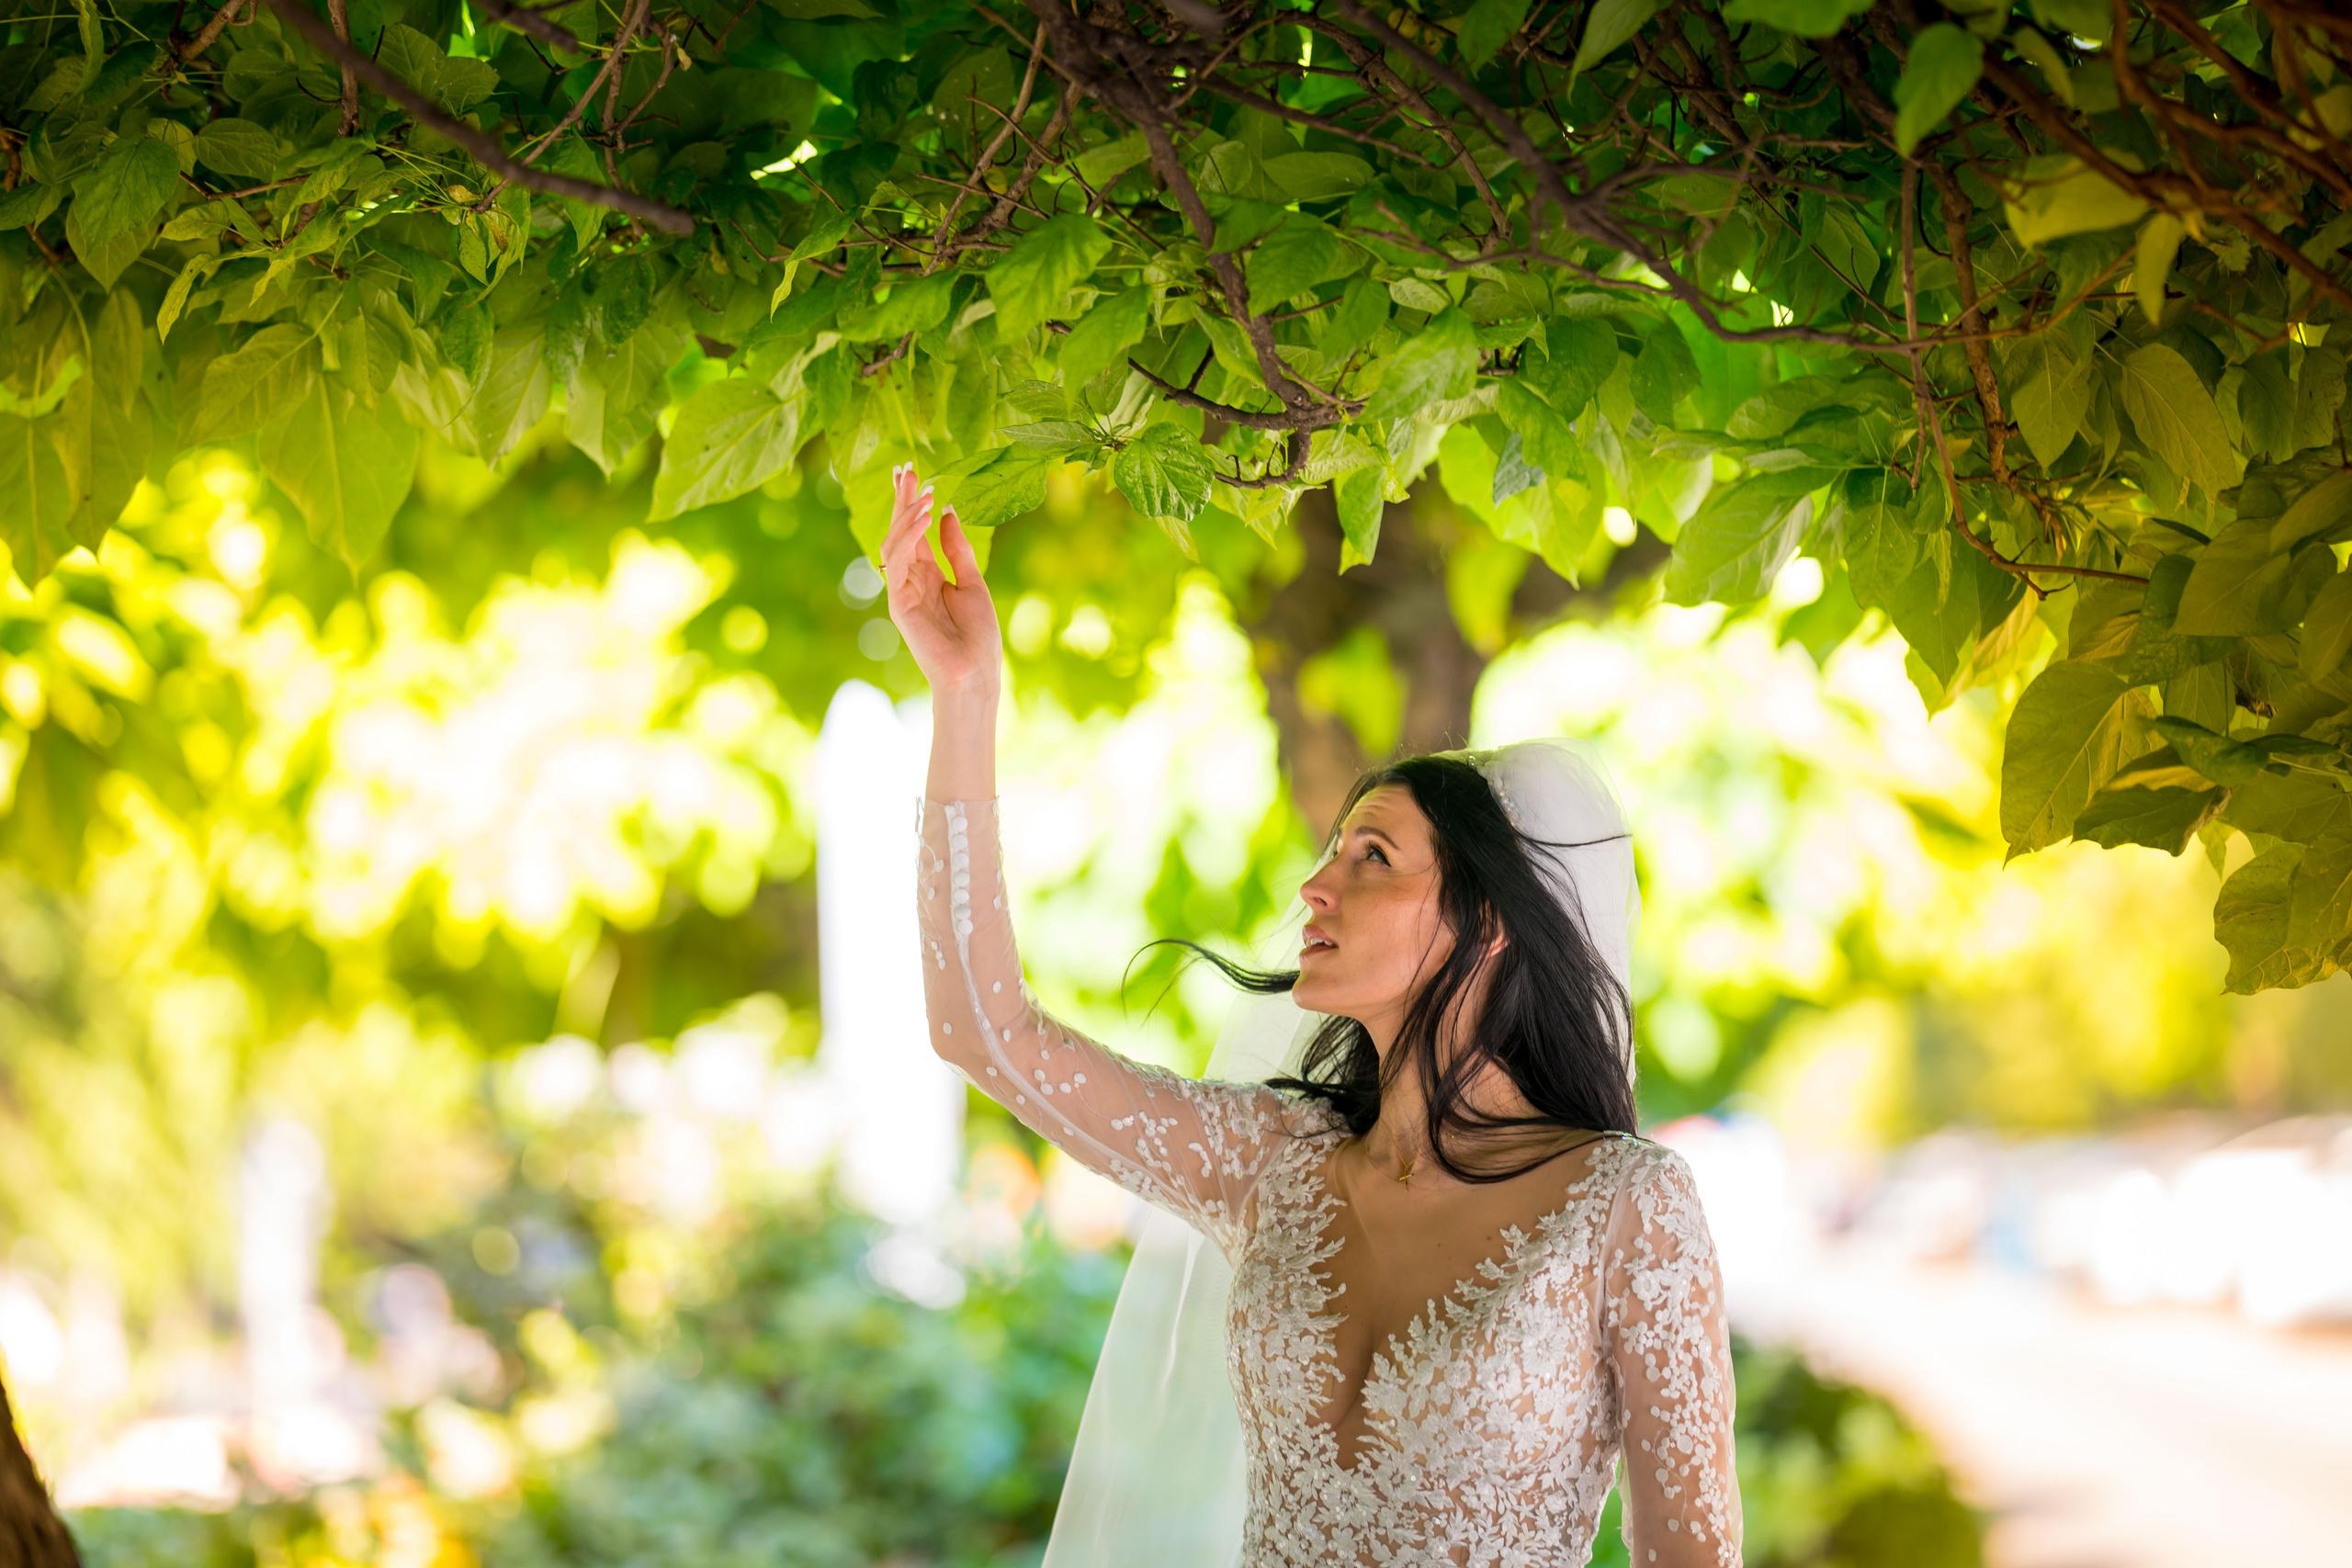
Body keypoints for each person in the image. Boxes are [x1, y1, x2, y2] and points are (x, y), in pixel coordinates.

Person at [881, 463, 1741, 1567]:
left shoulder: (1625, 1206)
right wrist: (964, 698)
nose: (1313, 889)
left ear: (1488, 924)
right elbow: (982, 1032)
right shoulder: (1269, 1161)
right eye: (1332, 849)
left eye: (1370, 854)